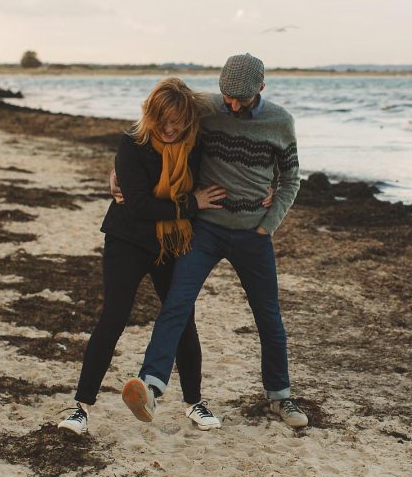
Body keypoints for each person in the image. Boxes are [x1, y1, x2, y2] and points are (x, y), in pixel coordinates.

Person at [119, 53, 309, 428]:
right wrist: (119, 169)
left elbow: (291, 178)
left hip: (253, 235)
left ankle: (280, 397)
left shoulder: (280, 122)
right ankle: (151, 389)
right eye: (227, 96)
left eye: (240, 98)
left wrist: (267, 225)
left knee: (269, 318)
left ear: (261, 88)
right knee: (177, 304)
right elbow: (154, 126)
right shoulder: (205, 106)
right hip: (205, 229)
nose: (232, 104)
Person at [58, 77, 243, 434]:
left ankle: (195, 403)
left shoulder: (195, 142)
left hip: (172, 245)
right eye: (163, 121)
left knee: (182, 319)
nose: (171, 129)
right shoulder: (132, 143)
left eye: (178, 121)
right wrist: (192, 203)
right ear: (150, 116)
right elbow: (140, 205)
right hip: (126, 240)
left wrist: (269, 186)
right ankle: (80, 407)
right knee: (113, 318)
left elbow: (226, 137)